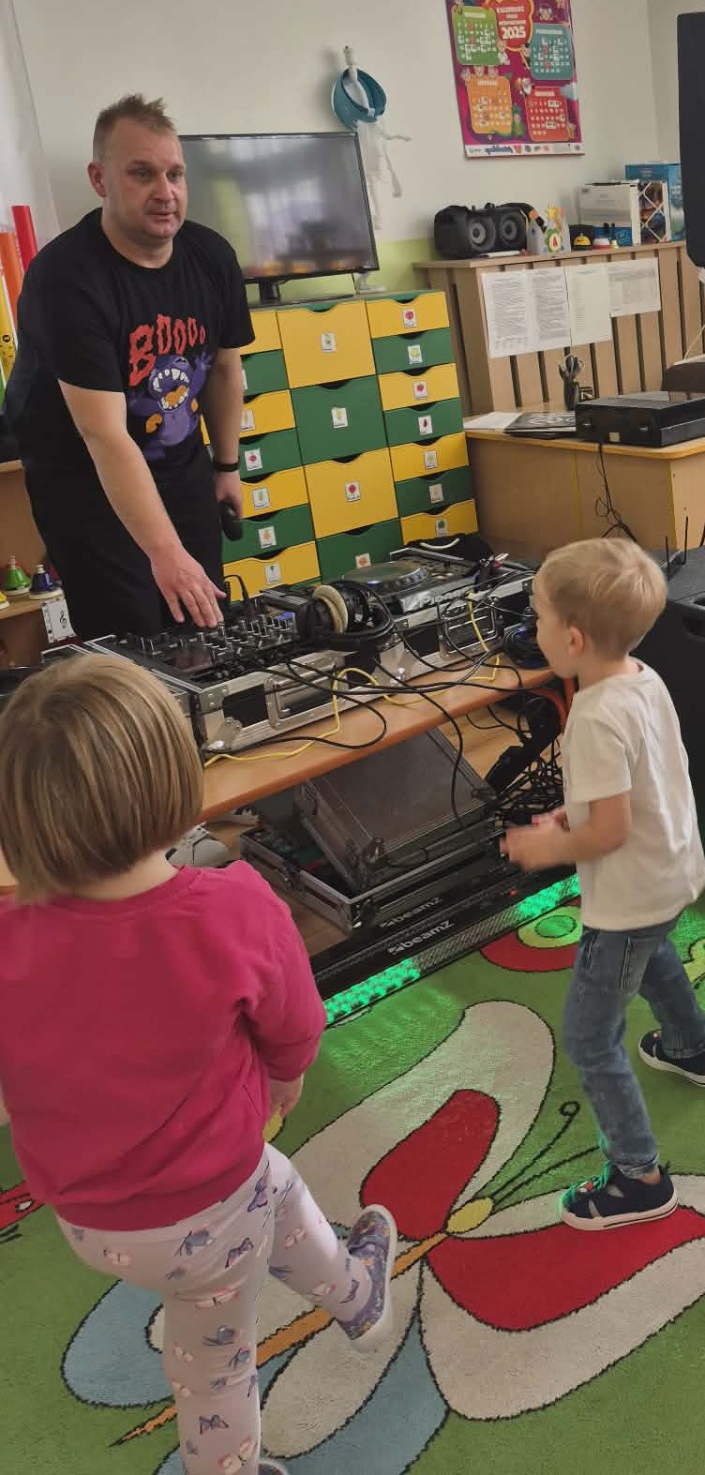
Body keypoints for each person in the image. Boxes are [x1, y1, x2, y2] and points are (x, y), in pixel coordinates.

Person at [0, 657, 398, 1475]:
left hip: (88, 1217)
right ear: (173, 780)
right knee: (214, 1368)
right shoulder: (234, 906)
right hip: (206, 1211)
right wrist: (285, 1078)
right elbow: (295, 1025)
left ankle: (358, 1296)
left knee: (277, 1186)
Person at [503, 537, 705, 1231]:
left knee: (589, 1036)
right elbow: (640, 781)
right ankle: (692, 1047)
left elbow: (609, 833)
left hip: (626, 896)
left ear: (571, 639)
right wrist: (577, 812)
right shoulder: (643, 677)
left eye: (537, 618)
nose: (533, 630)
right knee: (653, 954)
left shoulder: (594, 716)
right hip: (671, 870)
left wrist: (549, 845)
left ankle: (637, 1176)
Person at [7, 94, 251, 639]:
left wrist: (226, 466)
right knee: (135, 633)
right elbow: (104, 435)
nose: (165, 192)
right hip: (85, 481)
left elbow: (223, 369)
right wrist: (165, 553)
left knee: (203, 624)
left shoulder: (211, 257)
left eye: (174, 174)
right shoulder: (65, 279)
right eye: (142, 174)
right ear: (100, 179)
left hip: (179, 462)